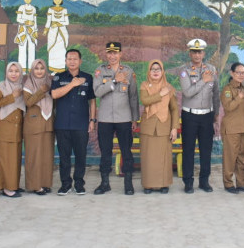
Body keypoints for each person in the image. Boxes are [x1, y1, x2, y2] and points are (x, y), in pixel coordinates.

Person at [93, 42, 139, 195]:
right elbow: (97, 92)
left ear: (120, 54)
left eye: (115, 53)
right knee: (105, 152)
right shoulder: (100, 71)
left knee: (126, 152)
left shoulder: (128, 71)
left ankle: (128, 183)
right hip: (105, 119)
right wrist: (114, 81)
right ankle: (104, 183)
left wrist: (134, 119)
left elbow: (133, 97)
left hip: (124, 118)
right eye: (110, 53)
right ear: (106, 54)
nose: (112, 56)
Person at [52, 49, 96, 195]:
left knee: (80, 156)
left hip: (81, 124)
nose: (72, 61)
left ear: (80, 61)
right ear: (65, 61)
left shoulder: (87, 78)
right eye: (69, 59)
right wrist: (72, 84)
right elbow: (54, 94)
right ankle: (65, 184)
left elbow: (92, 100)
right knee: (64, 157)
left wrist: (92, 120)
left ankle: (79, 184)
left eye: (75, 59)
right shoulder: (58, 77)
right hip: (62, 123)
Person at [179, 38, 219, 193]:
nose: (197, 55)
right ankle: (188, 182)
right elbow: (187, 92)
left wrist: (216, 114)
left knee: (205, 150)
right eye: (194, 52)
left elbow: (216, 93)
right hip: (190, 115)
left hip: (207, 115)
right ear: (190, 53)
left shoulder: (212, 69)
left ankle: (204, 181)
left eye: (199, 52)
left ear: (204, 53)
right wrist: (203, 80)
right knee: (188, 150)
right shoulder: (185, 71)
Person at [139, 60, 179, 193]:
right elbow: (145, 101)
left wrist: (174, 128)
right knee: (148, 158)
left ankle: (164, 184)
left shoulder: (169, 88)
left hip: (164, 126)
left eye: (158, 69)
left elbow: (174, 109)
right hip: (148, 127)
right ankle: (148, 185)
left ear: (162, 72)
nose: (155, 71)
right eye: (153, 69)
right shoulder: (144, 85)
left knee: (164, 157)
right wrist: (160, 94)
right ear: (149, 71)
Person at [0, 61, 26, 198]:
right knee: (6, 159)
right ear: (6, 72)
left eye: (16, 71)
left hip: (17, 128)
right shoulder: (1, 86)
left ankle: (13, 184)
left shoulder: (23, 87)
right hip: (5, 128)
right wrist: (12, 96)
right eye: (11, 71)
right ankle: (6, 187)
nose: (14, 74)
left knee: (15, 159)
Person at [23, 59, 55, 195]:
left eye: (42, 68)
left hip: (48, 124)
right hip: (34, 125)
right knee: (34, 156)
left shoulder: (49, 83)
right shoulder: (28, 84)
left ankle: (45, 183)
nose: (39, 71)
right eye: (36, 68)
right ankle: (35, 185)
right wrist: (41, 91)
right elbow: (28, 102)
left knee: (47, 156)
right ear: (32, 70)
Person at [219, 62, 244, 194]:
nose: (241, 75)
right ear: (232, 73)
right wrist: (238, 98)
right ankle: (228, 184)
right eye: (238, 72)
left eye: (243, 73)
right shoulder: (227, 90)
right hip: (232, 129)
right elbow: (228, 107)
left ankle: (242, 183)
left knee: (241, 158)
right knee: (230, 157)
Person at [43, 0, 72, 73]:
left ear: (62, 0)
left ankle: (61, 69)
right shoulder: (50, 10)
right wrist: (46, 29)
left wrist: (58, 24)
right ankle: (54, 69)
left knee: (61, 50)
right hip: (52, 32)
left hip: (62, 32)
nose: (57, 0)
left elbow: (66, 22)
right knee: (53, 50)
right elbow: (48, 21)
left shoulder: (64, 10)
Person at [15, 0, 38, 73]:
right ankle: (22, 69)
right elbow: (18, 19)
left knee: (32, 49)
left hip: (31, 31)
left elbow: (35, 20)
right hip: (23, 30)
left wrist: (36, 30)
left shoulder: (33, 8)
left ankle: (31, 69)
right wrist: (26, 22)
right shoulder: (21, 7)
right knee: (22, 49)